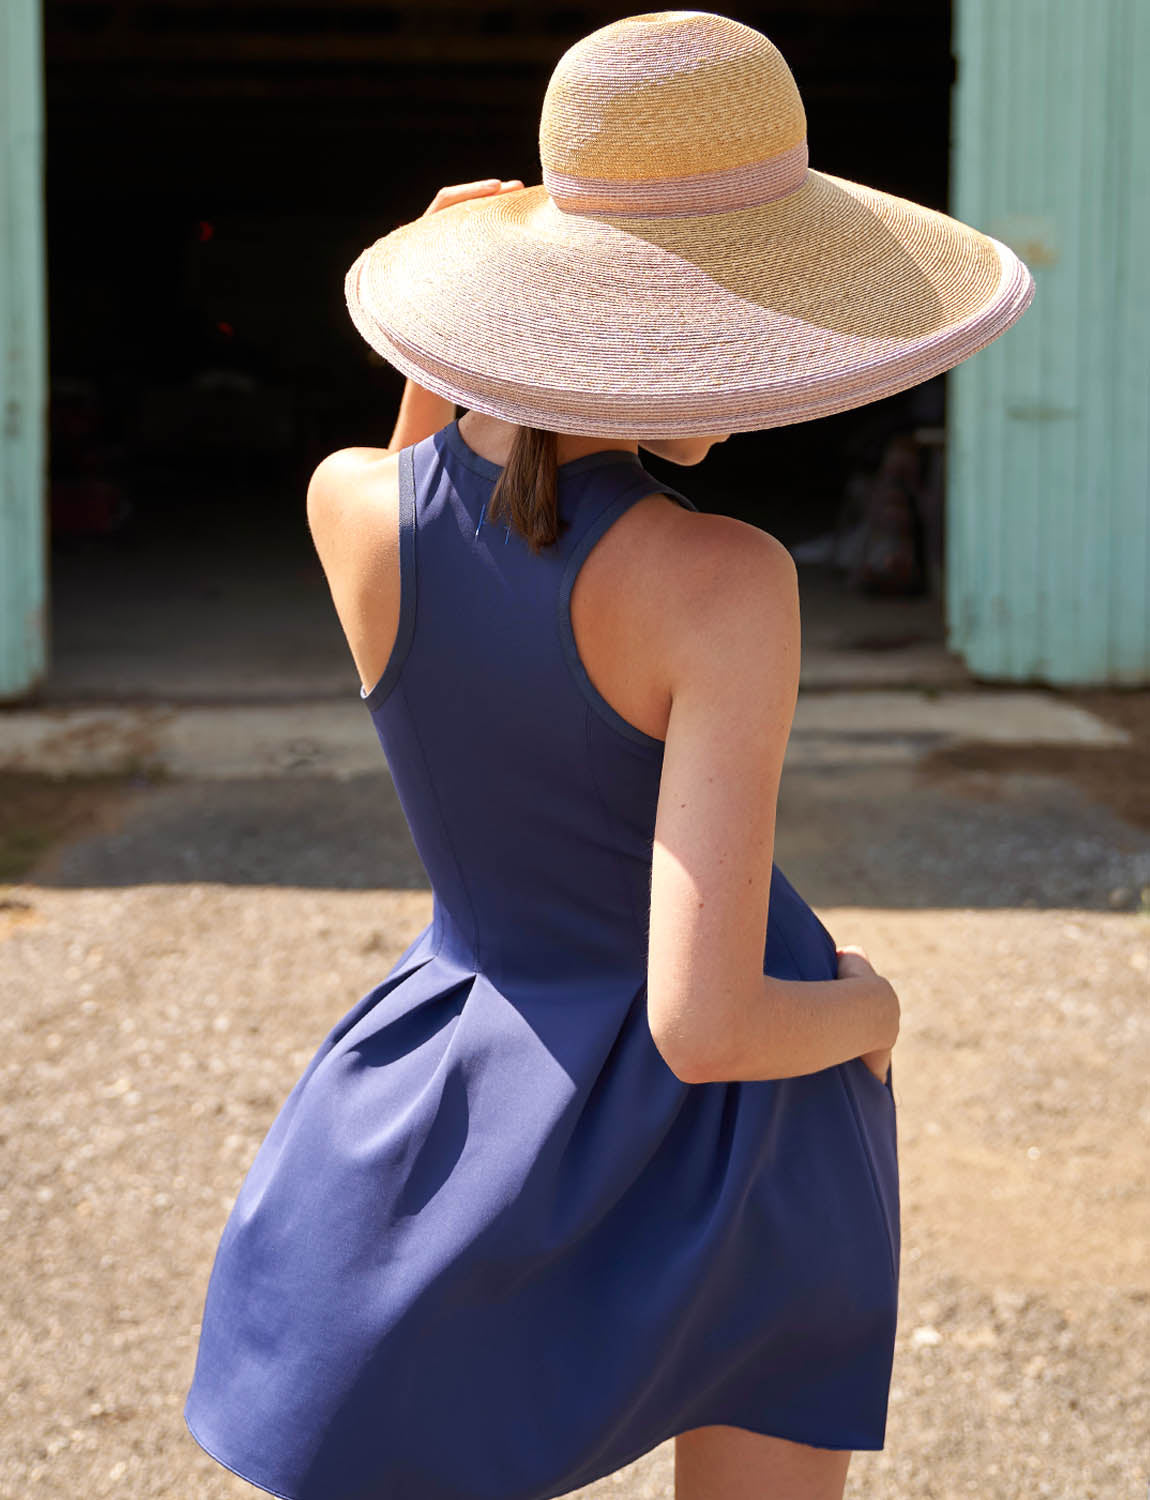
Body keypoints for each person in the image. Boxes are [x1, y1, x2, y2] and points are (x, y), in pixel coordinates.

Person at [183, 13, 1035, 1500]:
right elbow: (702, 1027)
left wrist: (460, 331)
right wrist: (870, 1007)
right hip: (737, 1142)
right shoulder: (720, 581)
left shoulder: (349, 514)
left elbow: (425, 488)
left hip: (463, 1093)